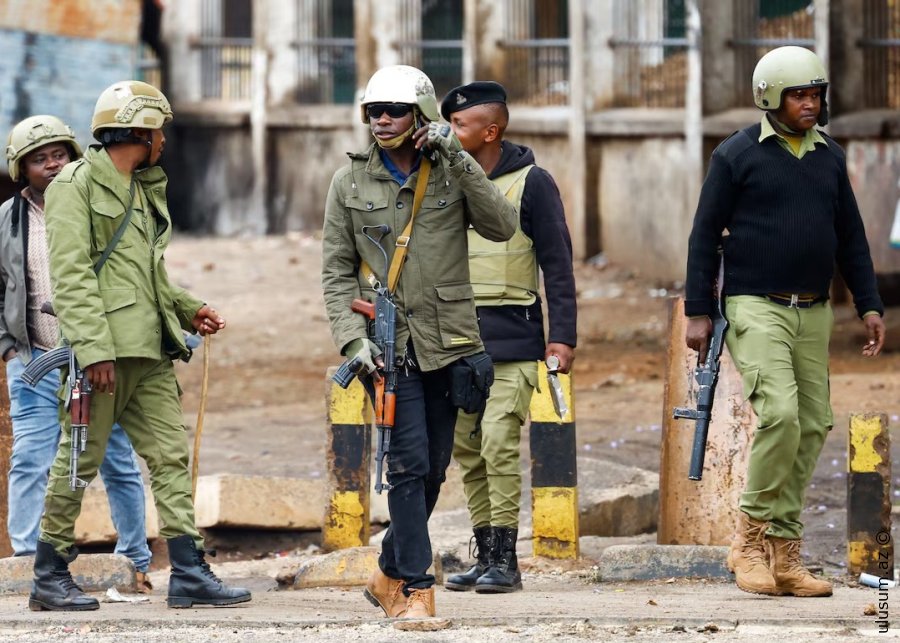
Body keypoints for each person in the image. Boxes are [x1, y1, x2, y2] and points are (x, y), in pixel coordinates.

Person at [28, 80, 251, 611]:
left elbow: (145, 271)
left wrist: (185, 306)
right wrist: (94, 350)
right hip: (103, 355)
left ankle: (190, 572)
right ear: (140, 131)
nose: (164, 141)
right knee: (79, 460)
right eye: (160, 131)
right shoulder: (74, 186)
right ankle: (49, 573)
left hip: (149, 349)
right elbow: (73, 275)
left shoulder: (142, 186)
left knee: (172, 457)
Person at [684, 46, 886, 598]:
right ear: (770, 96)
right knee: (781, 414)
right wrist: (697, 310)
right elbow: (703, 236)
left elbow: (851, 236)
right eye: (799, 94)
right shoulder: (736, 155)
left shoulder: (829, 156)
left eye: (816, 94)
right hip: (754, 304)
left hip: (814, 309)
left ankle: (785, 552)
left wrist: (868, 303)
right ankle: (746, 542)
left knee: (815, 421)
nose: (809, 104)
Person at [321, 65, 517, 619]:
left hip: (451, 339)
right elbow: (336, 271)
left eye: (395, 111)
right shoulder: (349, 181)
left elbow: (502, 225)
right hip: (387, 343)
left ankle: (386, 570)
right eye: (373, 111)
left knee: (433, 469)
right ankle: (414, 587)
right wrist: (351, 341)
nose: (382, 120)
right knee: (407, 466)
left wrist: (457, 154)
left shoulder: (452, 170)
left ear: (422, 116)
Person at [0, 115, 154, 591]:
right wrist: (10, 348)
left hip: (97, 357)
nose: (50, 165)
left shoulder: (99, 201)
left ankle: (135, 557)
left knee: (117, 459)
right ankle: (27, 555)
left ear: (74, 156)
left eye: (58, 155)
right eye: (38, 159)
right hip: (35, 361)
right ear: (22, 169)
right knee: (31, 458)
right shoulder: (8, 219)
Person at [437, 82, 576, 594]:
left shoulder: (533, 182)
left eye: (459, 125)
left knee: (498, 442)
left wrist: (561, 337)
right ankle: (485, 552)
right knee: (467, 448)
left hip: (514, 341)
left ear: (491, 131)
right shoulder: (445, 179)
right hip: (456, 341)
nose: (450, 132)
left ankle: (506, 560)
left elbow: (558, 264)